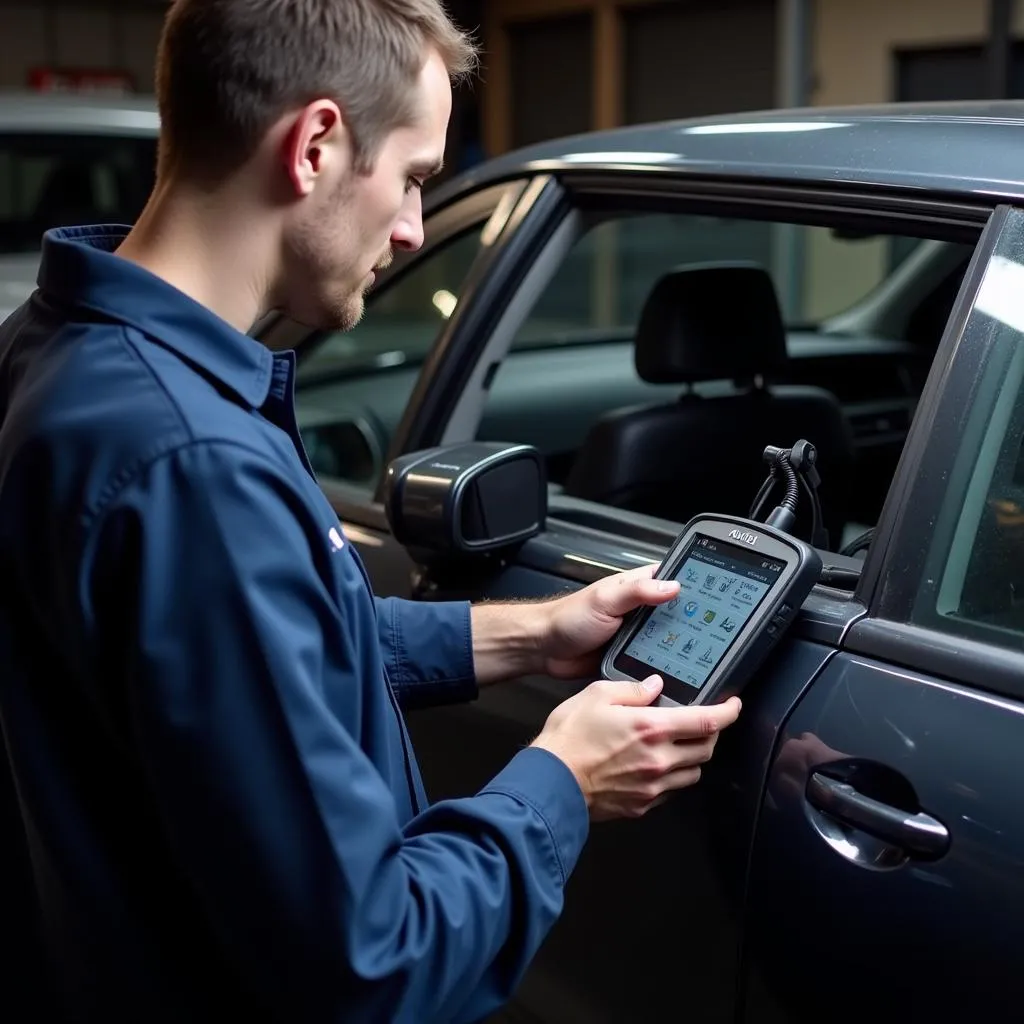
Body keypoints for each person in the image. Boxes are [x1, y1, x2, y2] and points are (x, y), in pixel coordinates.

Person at [0, 2, 742, 1022]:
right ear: (313, 145)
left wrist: (528, 635)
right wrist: (562, 778)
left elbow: (248, 659)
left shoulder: (56, 354)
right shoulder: (195, 468)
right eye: (413, 179)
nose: (408, 229)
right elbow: (370, 958)